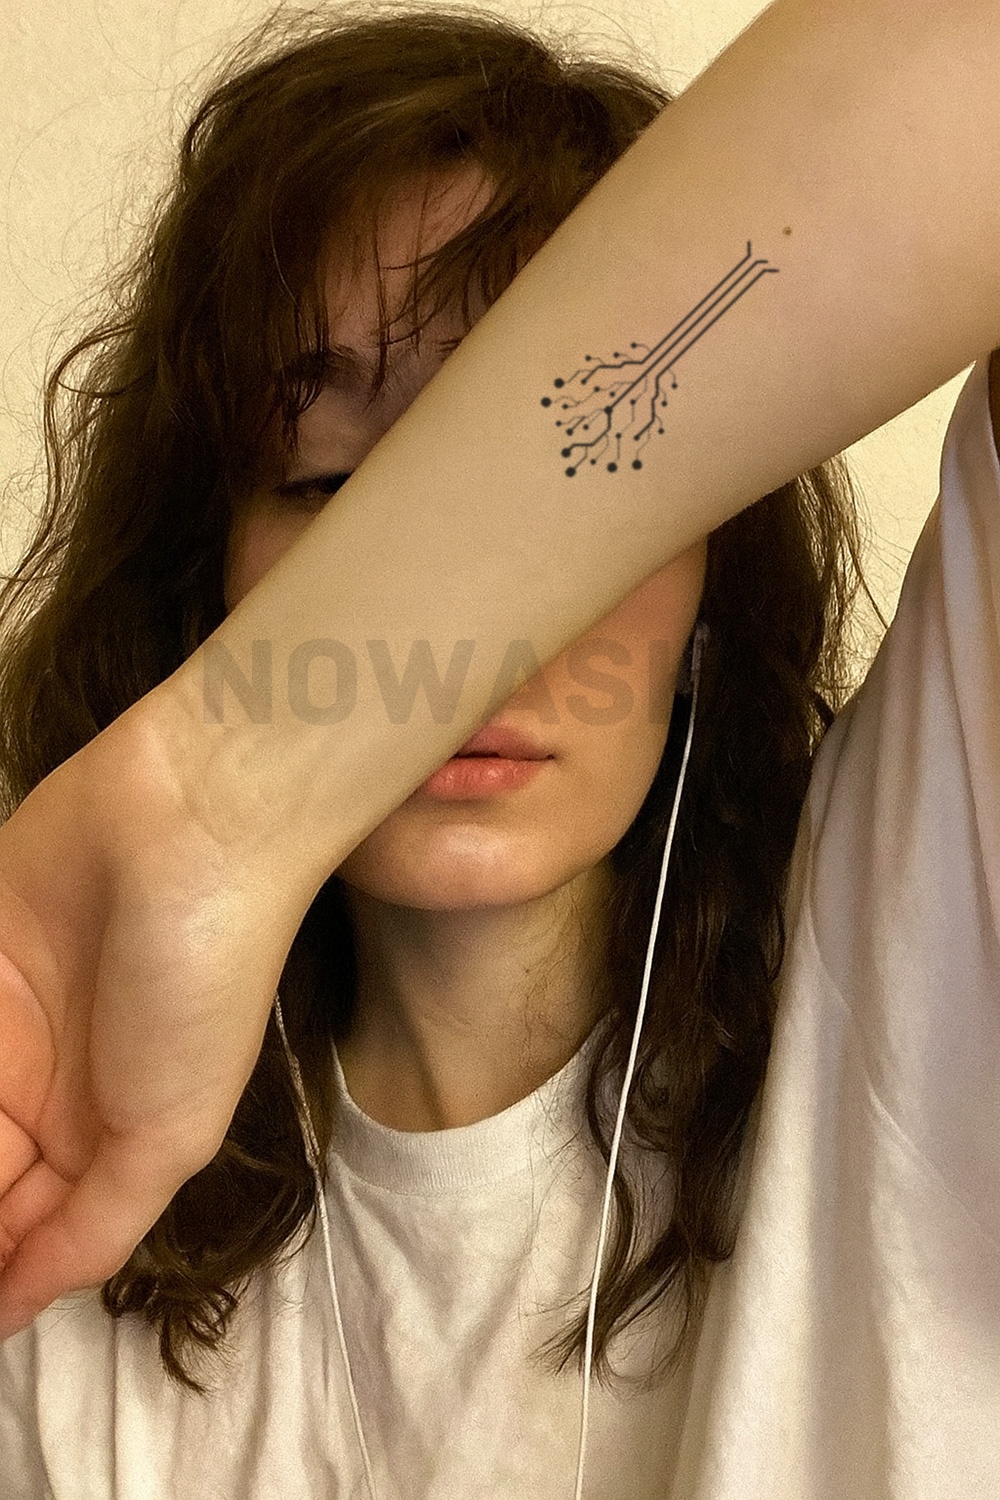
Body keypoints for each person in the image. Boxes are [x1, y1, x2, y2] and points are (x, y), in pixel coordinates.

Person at [0, 1, 998, 1496]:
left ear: (713, 565)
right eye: (327, 481)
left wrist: (226, 788)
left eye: (556, 507)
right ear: (200, 583)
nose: (474, 640)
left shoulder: (927, 952)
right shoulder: (68, 1228)